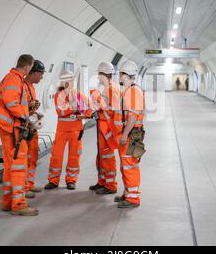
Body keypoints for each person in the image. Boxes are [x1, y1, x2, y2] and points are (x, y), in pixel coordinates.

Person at [0, 54, 38, 216]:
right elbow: (11, 102)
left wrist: (28, 107)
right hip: (13, 129)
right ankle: (18, 204)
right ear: (27, 67)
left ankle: (8, 202)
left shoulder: (12, 78)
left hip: (9, 128)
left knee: (11, 167)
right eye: (30, 68)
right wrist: (26, 116)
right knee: (18, 167)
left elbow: (13, 101)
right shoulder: (14, 79)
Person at [45, 71, 92, 190]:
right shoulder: (58, 95)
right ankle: (53, 181)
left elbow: (89, 108)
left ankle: (71, 180)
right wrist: (73, 107)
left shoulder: (79, 94)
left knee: (74, 156)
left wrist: (84, 115)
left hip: (76, 130)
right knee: (56, 156)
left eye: (71, 80)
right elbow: (60, 111)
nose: (69, 83)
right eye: (67, 80)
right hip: (62, 130)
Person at [114, 60, 146, 208]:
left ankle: (133, 198)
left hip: (131, 135)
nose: (118, 77)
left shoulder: (133, 91)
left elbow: (132, 116)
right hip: (128, 133)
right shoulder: (128, 90)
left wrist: (125, 134)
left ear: (124, 75)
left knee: (129, 166)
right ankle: (128, 193)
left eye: (120, 74)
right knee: (125, 166)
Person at [88, 62, 121, 195]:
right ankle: (102, 181)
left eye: (99, 74)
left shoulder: (112, 89)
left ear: (103, 74)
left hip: (108, 127)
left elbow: (111, 109)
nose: (98, 77)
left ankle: (111, 185)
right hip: (103, 125)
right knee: (101, 155)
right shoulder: (108, 88)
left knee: (107, 156)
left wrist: (98, 100)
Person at [23, 60, 46, 199]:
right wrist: (29, 105)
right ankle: (24, 187)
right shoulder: (22, 86)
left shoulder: (31, 87)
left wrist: (35, 111)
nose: (41, 77)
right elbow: (18, 107)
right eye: (41, 74)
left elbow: (29, 107)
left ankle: (29, 183)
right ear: (34, 72)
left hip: (32, 128)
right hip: (24, 129)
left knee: (32, 158)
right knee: (24, 160)